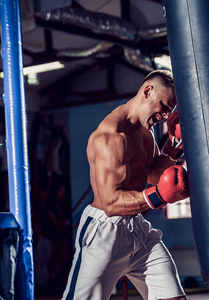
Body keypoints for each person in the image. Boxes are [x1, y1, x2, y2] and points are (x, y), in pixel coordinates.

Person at [61, 70, 189, 300]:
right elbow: (111, 203)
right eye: (164, 105)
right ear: (147, 91)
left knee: (173, 297)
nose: (166, 114)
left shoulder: (146, 133)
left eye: (171, 110)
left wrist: (174, 144)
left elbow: (152, 176)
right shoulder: (111, 137)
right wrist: (159, 195)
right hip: (103, 232)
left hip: (137, 230)